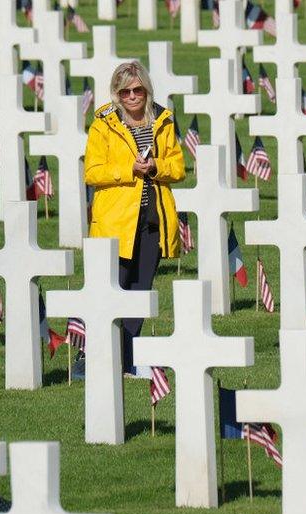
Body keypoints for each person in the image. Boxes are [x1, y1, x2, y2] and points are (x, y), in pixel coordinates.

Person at [84, 61, 185, 375]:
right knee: (115, 291)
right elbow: (92, 173)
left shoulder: (163, 121)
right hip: (116, 222)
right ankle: (94, 358)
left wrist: (155, 167)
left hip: (152, 221)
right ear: (116, 93)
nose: (132, 96)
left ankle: (127, 359)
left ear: (146, 89)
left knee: (141, 291)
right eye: (125, 91)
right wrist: (128, 170)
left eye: (137, 89)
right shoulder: (103, 124)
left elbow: (178, 168)